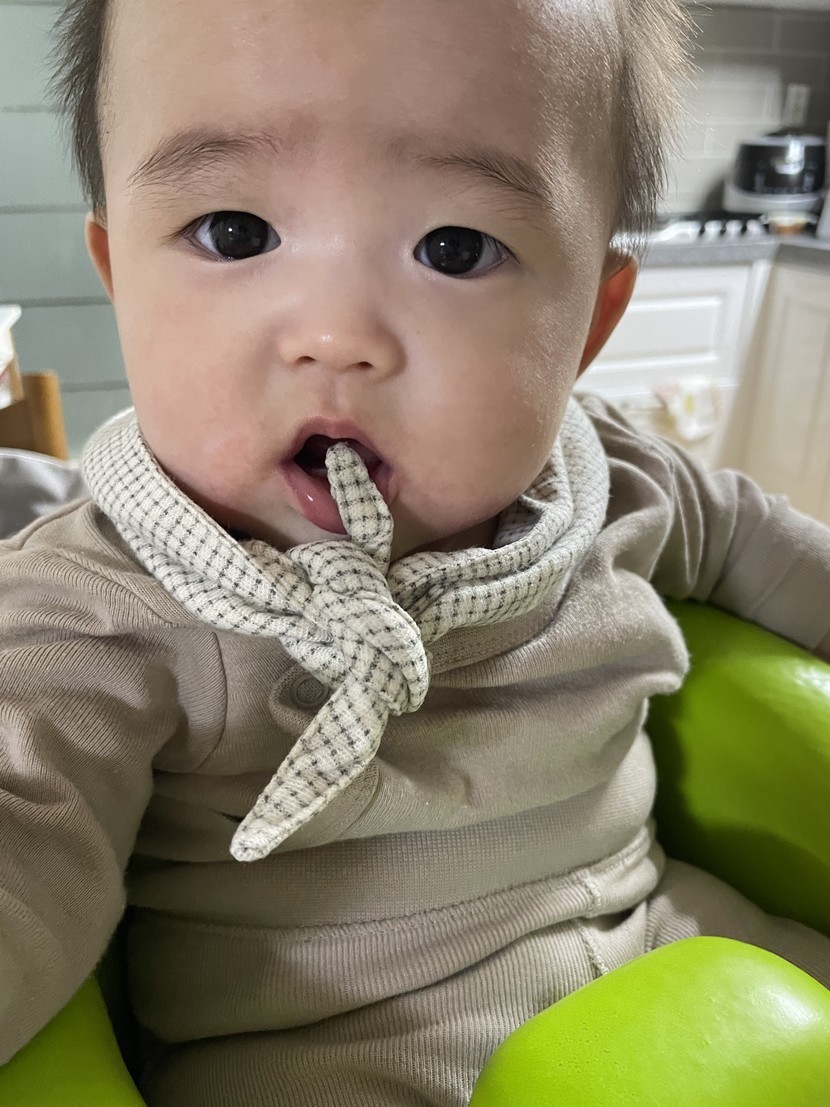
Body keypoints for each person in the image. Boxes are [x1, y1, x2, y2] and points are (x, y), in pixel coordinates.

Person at [1, 0, 828, 1102]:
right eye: (234, 232)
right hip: (339, 1059)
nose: (334, 335)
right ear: (121, 278)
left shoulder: (615, 482)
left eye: (455, 249)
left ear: (587, 323)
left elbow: (787, 560)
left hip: (683, 954)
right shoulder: (88, 608)